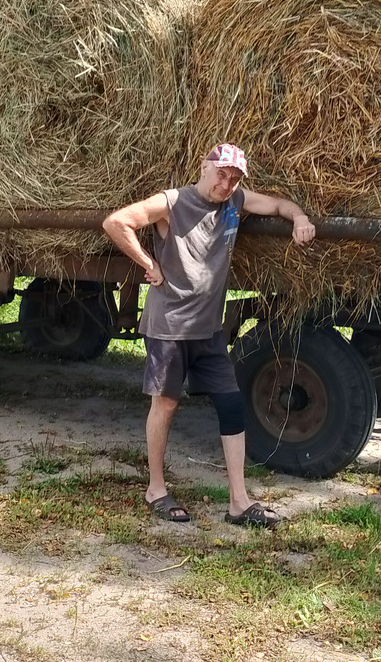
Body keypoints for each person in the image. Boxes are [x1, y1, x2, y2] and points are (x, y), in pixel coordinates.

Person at [102, 143, 316, 527]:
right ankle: (156, 489)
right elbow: (116, 222)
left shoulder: (236, 201)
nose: (227, 183)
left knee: (231, 406)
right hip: (169, 327)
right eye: (222, 174)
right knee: (165, 405)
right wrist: (149, 263)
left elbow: (281, 206)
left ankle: (238, 501)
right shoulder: (172, 202)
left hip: (209, 328)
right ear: (204, 167)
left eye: (234, 178)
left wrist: (299, 218)